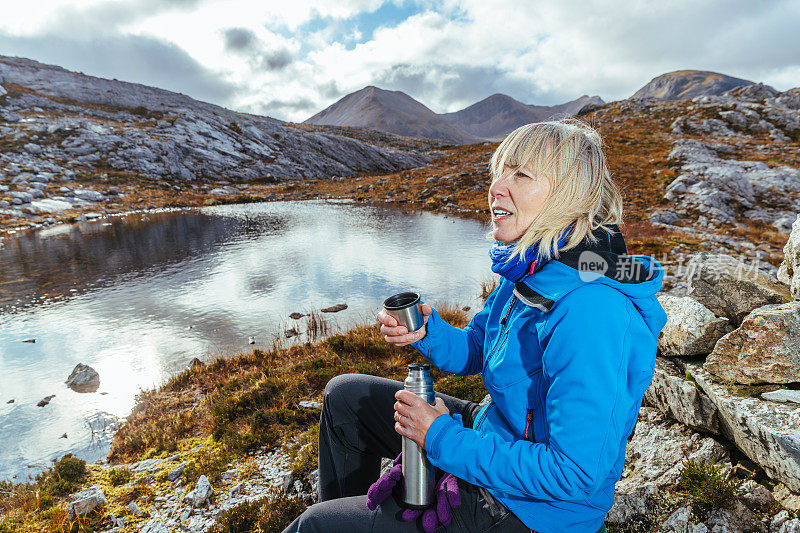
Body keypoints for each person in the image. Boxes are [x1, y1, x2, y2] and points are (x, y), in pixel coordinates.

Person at [282, 118, 667, 533]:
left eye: (521, 174)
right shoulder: (532, 266)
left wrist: (441, 439)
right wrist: (427, 331)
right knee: (345, 399)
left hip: (532, 511)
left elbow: (574, 473)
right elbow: (478, 348)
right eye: (500, 171)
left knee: (316, 527)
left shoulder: (592, 311)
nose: (497, 187)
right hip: (495, 435)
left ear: (570, 197)